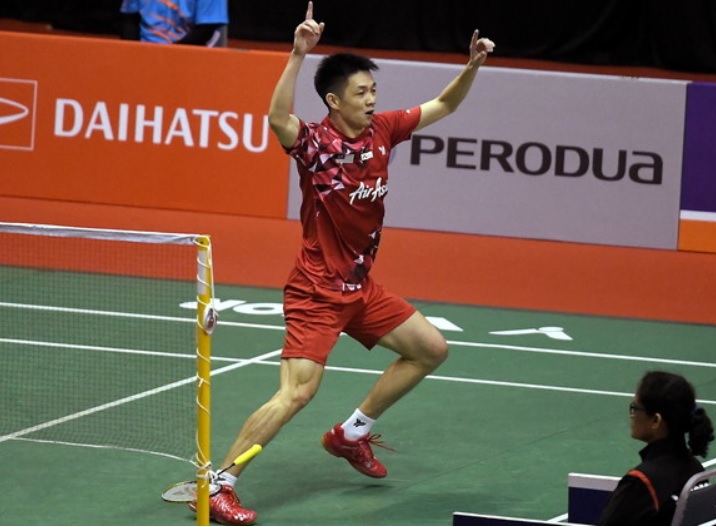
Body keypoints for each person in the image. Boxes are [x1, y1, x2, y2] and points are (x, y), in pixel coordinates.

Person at [187, 1, 495, 525]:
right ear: (334, 100)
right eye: (361, 92)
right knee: (297, 393)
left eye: (373, 91)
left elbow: (444, 104)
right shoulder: (314, 144)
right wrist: (297, 53)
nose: (372, 100)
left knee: (429, 349)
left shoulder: (384, 131)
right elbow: (277, 118)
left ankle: (351, 433)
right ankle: (220, 484)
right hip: (317, 290)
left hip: (360, 287)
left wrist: (472, 66)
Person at [598, 371, 716, 525]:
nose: (631, 416)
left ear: (655, 420)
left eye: (635, 408)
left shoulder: (641, 482)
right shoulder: (696, 470)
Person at [120, 0, 228, 47]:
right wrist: (135, 52)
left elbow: (205, 30)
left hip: (189, 55)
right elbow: (130, 20)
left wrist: (168, 55)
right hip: (144, 52)